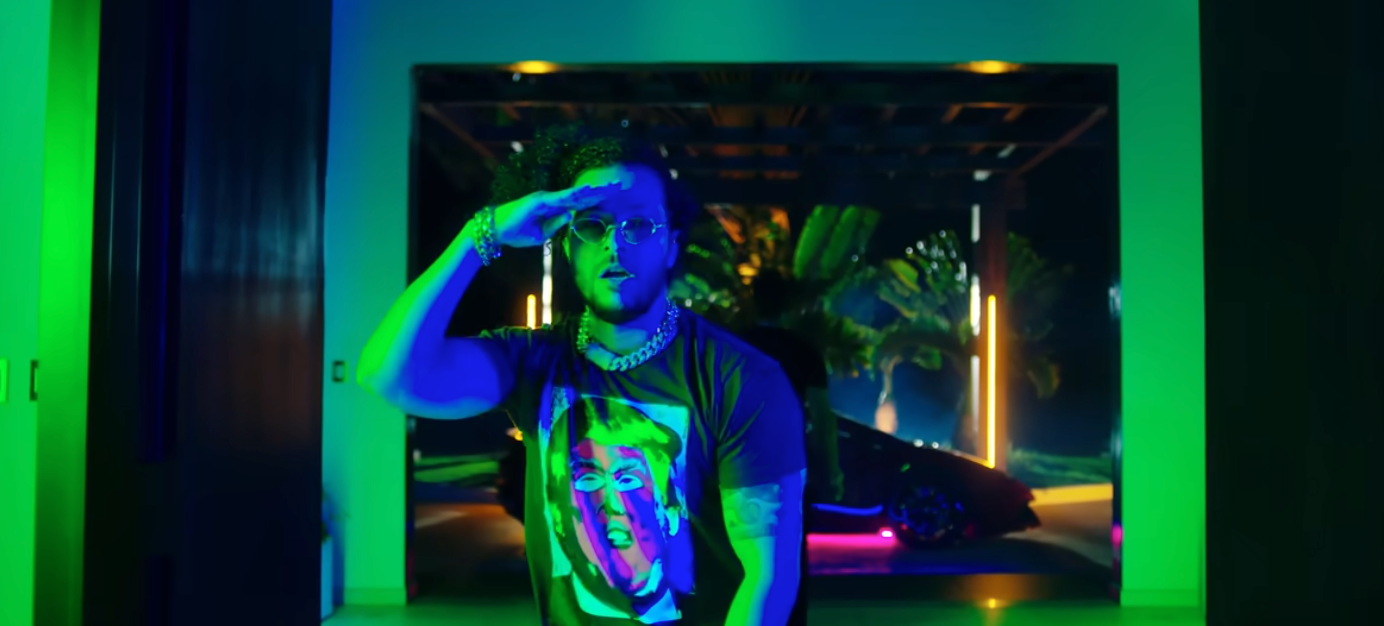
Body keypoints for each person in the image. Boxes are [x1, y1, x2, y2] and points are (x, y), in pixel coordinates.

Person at [356, 124, 806, 626]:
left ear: (671, 246)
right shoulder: (534, 360)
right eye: (593, 226)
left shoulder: (742, 379)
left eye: (639, 225)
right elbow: (387, 374)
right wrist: (482, 235)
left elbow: (767, 576)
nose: (615, 244)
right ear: (569, 247)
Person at [738, 270, 844, 626]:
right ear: (789, 306)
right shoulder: (802, 351)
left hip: (737, 470)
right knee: (788, 561)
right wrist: (831, 471)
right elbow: (823, 419)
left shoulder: (732, 345)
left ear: (753, 302)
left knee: (742, 562)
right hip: (787, 469)